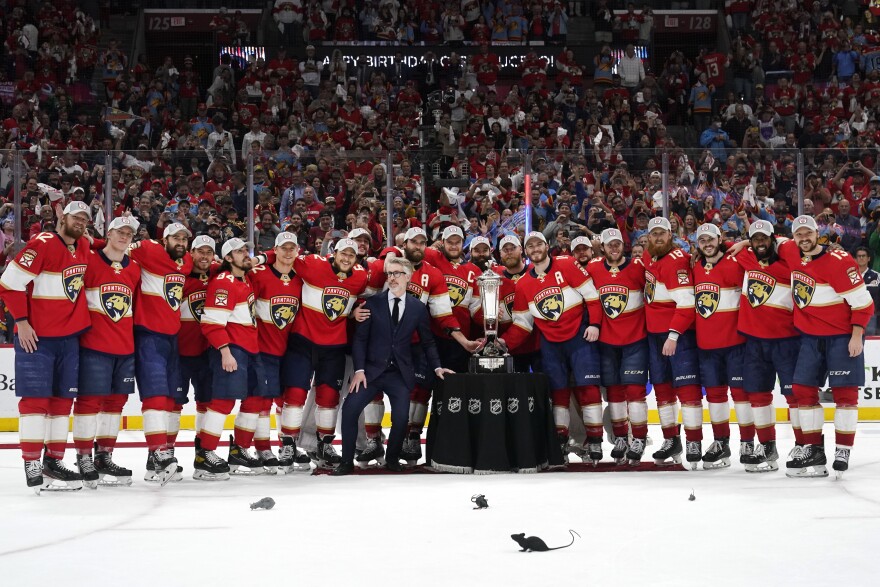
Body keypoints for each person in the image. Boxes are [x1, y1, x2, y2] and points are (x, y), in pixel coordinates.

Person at [0, 201, 92, 492]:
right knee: (35, 401)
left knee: (62, 402)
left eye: (84, 219)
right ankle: (31, 462)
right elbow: (9, 283)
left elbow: (106, 243)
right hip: (36, 336)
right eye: (75, 217)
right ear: (61, 217)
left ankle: (54, 461)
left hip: (69, 337)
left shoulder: (84, 246)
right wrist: (22, 321)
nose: (80, 222)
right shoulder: (42, 244)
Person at [333, 257, 452, 475]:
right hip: (370, 372)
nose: (392, 278)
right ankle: (346, 461)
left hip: (399, 373)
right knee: (350, 410)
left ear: (408, 277)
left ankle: (393, 458)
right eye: (390, 273)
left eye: (397, 273)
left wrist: (437, 368)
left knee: (401, 418)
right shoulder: (372, 303)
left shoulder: (417, 308)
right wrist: (359, 370)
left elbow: (427, 342)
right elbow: (360, 340)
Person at [362, 227, 469, 466]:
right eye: (413, 242)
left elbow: (443, 314)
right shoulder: (385, 266)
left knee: (418, 391)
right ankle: (373, 439)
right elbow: (364, 298)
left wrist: (463, 340)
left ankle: (411, 438)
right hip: (381, 340)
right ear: (404, 243)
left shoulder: (433, 274)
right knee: (373, 389)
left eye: (422, 243)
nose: (418, 247)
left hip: (414, 342)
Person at [782, 216, 874, 478]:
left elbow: (864, 304)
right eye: (798, 234)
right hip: (810, 337)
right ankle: (813, 448)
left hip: (841, 336)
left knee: (845, 394)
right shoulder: (790, 250)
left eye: (808, 233)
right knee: (801, 389)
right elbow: (774, 243)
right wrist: (744, 241)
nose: (803, 238)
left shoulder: (839, 262)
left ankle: (843, 449)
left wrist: (856, 336)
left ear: (817, 233)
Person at [500, 231, 603, 463]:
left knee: (588, 388)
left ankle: (595, 441)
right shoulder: (524, 284)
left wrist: (595, 323)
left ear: (547, 246)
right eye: (530, 246)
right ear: (526, 252)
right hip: (550, 342)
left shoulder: (567, 265)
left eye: (539, 244)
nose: (535, 249)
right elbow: (523, 323)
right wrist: (504, 342)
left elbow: (592, 296)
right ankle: (560, 442)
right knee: (558, 393)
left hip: (579, 336)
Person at [282, 238, 369, 468]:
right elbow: (284, 255)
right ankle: (287, 444)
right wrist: (261, 257)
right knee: (295, 394)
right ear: (334, 253)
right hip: (303, 340)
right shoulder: (313, 264)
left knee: (329, 398)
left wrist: (353, 314)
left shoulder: (360, 276)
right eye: (343, 253)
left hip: (334, 346)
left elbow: (357, 299)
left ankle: (325, 443)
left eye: (352, 255)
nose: (347, 258)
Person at [72, 217, 142, 488]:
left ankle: (104, 455)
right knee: (89, 403)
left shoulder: (134, 268)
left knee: (115, 404)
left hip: (125, 347)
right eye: (119, 232)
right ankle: (83, 456)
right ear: (108, 233)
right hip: (94, 345)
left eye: (129, 233)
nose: (124, 237)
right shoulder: (89, 260)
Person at [726, 220, 800, 472]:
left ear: (772, 240)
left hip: (786, 340)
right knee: (757, 396)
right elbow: (716, 246)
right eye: (754, 239)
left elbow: (791, 244)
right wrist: (744, 242)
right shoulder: (747, 260)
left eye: (763, 238)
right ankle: (767, 448)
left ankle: (804, 446)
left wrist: (748, 241)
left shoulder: (789, 265)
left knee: (795, 396)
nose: (759, 243)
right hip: (754, 341)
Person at [196, 237, 267, 480]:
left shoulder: (243, 277)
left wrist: (260, 257)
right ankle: (205, 454)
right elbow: (212, 323)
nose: (246, 254)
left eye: (246, 250)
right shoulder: (224, 283)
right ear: (228, 258)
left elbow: (262, 258)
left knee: (256, 399)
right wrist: (225, 352)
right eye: (239, 251)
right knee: (223, 401)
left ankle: (239, 449)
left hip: (250, 348)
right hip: (232, 348)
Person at [129, 223, 193, 485]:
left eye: (184, 238)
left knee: (172, 399)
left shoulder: (186, 260)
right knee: (155, 395)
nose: (180, 242)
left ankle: (160, 455)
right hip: (148, 335)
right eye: (175, 237)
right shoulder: (147, 249)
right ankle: (158, 452)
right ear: (164, 238)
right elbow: (117, 249)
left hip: (172, 337)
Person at [692, 223, 755, 470]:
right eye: (702, 240)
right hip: (707, 345)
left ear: (720, 239)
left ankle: (748, 442)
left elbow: (772, 247)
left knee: (741, 395)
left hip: (736, 343)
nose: (707, 244)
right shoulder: (694, 265)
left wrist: (745, 243)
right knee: (716, 398)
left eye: (711, 239)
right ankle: (721, 442)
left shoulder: (737, 260)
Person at [641, 217, 701, 466]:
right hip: (655, 335)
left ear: (670, 234)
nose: (657, 238)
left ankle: (694, 441)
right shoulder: (649, 256)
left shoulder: (676, 261)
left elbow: (687, 303)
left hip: (677, 336)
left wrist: (673, 335)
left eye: (661, 234)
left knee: (687, 390)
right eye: (653, 234)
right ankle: (670, 439)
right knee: (662, 389)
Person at [250, 232, 310, 473]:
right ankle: (262, 447)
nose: (287, 253)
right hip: (264, 348)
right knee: (263, 399)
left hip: (294, 347)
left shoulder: (303, 276)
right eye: (282, 248)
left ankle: (289, 443)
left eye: (292, 248)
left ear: (297, 250)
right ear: (275, 249)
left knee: (291, 398)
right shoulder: (259, 274)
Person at [588, 228, 649, 465]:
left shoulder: (637, 267)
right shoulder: (593, 268)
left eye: (617, 243)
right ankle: (621, 437)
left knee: (634, 392)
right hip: (606, 341)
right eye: (609, 244)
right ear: (601, 247)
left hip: (635, 340)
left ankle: (640, 438)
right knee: (613, 393)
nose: (614, 248)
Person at [173, 235, 218, 482]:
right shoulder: (180, 273)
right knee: (173, 404)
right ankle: (166, 453)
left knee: (208, 403)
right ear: (191, 252)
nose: (204, 257)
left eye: (209, 253)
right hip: (179, 352)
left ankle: (203, 455)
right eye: (200, 252)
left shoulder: (216, 273)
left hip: (208, 353)